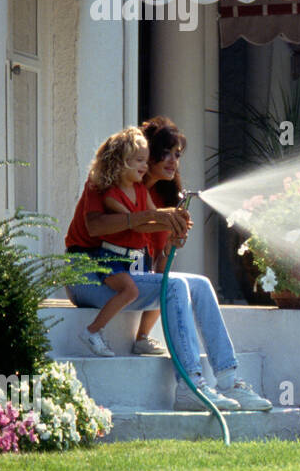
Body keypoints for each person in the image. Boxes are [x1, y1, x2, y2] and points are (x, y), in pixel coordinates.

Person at [63, 119, 272, 412]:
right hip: (88, 273)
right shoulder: (104, 183)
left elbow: (157, 268)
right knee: (175, 285)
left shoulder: (149, 195)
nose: (172, 161)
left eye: (177, 155)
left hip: (128, 275)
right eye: (161, 154)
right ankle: (190, 386)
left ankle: (229, 380)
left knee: (199, 283)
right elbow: (95, 226)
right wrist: (151, 219)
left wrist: (172, 240)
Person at [65, 128, 148, 356]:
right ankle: (93, 331)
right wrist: (147, 220)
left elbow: (146, 220)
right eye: (140, 160)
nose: (145, 166)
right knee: (132, 290)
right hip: (87, 259)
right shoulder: (99, 187)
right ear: (121, 162)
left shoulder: (138, 189)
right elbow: (101, 225)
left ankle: (143, 337)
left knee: (164, 285)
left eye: (146, 161)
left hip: (114, 257)